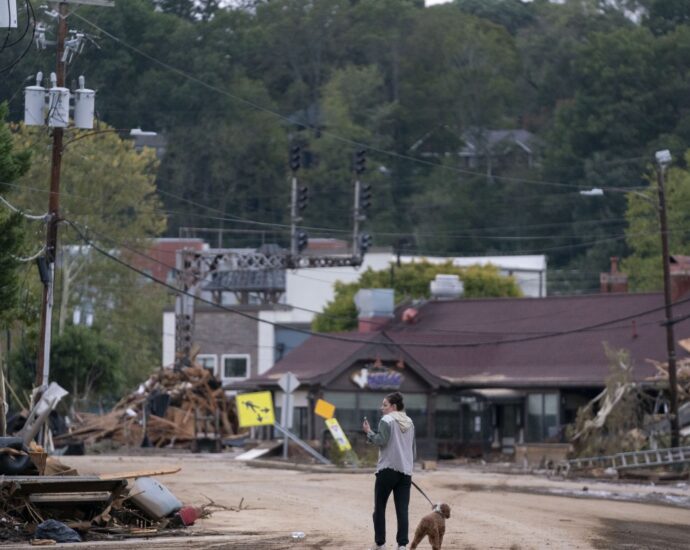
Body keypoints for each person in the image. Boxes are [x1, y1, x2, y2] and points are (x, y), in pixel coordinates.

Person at [362, 391, 416, 550]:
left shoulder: (387, 420)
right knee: (402, 510)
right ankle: (402, 545)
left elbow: (381, 440)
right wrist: (407, 465)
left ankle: (380, 544)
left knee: (379, 508)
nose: (382, 408)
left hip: (387, 470)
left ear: (393, 406)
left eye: (385, 405)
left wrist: (369, 432)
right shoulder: (410, 422)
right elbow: (412, 449)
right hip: (405, 472)